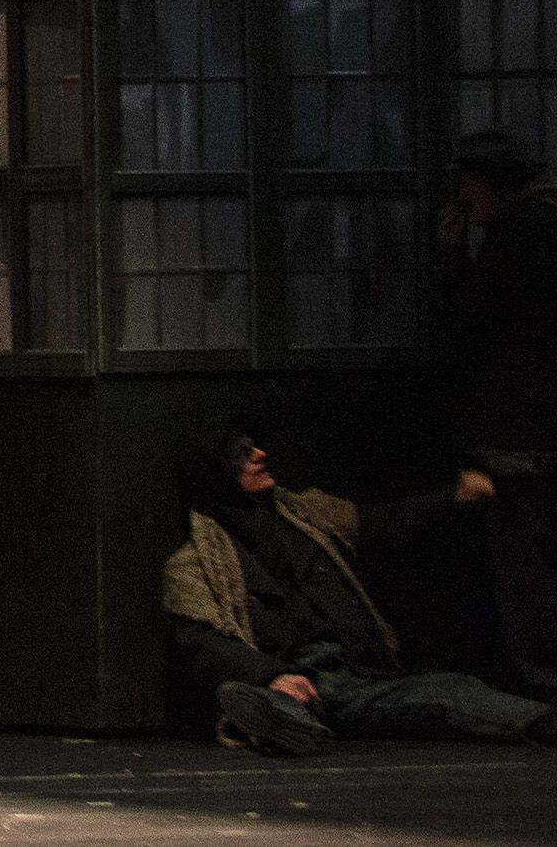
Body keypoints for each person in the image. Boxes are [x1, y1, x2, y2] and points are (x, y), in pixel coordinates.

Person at [162, 427, 547, 753]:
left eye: (253, 447)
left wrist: (453, 498)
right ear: (216, 473)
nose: (260, 455)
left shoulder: (307, 514)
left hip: (356, 670)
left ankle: (283, 721)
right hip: (304, 674)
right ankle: (282, 714)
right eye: (242, 455)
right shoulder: (194, 563)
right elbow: (200, 641)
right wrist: (271, 675)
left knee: (446, 688)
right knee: (443, 691)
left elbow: (383, 521)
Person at [443, 125, 557, 696]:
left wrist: (453, 256)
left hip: (520, 435)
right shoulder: (543, 225)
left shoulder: (516, 236)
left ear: (485, 183)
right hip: (541, 433)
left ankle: (543, 688)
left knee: (525, 573)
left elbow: (470, 328)